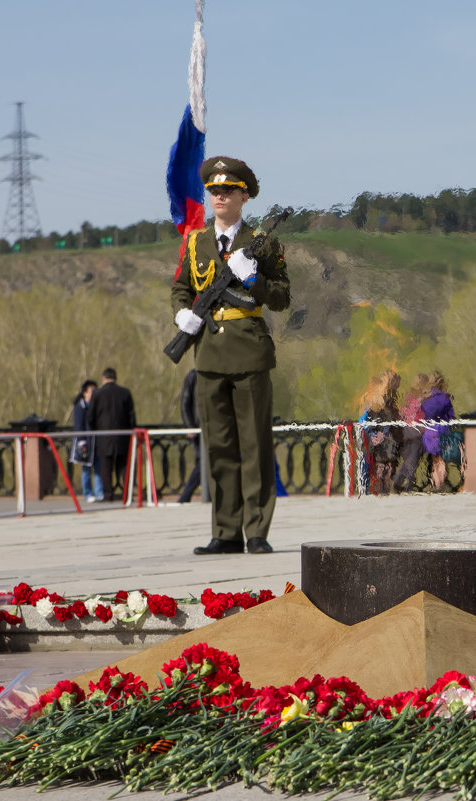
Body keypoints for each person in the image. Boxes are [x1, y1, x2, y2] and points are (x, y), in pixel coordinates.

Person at [171, 156, 290, 555]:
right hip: (208, 355)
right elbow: (182, 287)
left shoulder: (262, 242)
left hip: (249, 352)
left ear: (244, 196)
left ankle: (256, 530)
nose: (219, 196)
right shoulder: (195, 242)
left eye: (227, 191)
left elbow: (282, 297)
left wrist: (253, 278)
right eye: (214, 191)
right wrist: (182, 313)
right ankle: (224, 531)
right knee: (219, 446)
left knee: (254, 444)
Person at [88, 367, 136, 502]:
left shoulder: (97, 394)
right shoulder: (125, 393)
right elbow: (132, 417)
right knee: (124, 467)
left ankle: (108, 495)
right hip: (123, 436)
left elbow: (90, 416)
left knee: (106, 468)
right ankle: (128, 495)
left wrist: (95, 430)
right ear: (115, 378)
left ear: (103, 378)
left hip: (104, 436)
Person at [359, 369, 401, 496]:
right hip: (375, 437)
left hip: (389, 437)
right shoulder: (373, 393)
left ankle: (384, 493)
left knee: (388, 467)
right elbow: (363, 418)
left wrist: (384, 433)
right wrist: (373, 434)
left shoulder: (392, 397)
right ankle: (375, 492)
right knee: (378, 466)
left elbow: (393, 417)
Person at [392, 372, 430, 493]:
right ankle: (404, 484)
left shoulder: (426, 397)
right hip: (410, 430)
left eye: (419, 381)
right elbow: (404, 412)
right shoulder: (410, 396)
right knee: (411, 458)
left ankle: (400, 483)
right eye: (416, 380)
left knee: (411, 459)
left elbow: (425, 413)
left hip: (417, 431)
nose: (417, 383)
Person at [420, 370, 457, 491]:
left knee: (435, 460)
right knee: (441, 461)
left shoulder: (426, 398)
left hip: (429, 433)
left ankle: (435, 484)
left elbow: (422, 415)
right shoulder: (445, 399)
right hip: (442, 432)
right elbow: (451, 417)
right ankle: (439, 485)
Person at [71, 379, 105, 503]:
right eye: (92, 391)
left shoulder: (96, 406)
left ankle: (99, 492)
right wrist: (82, 442)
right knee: (86, 469)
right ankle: (87, 493)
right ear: (85, 393)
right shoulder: (80, 407)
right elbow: (78, 425)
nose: (94, 394)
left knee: (98, 468)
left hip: (96, 441)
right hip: (85, 442)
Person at [177, 368, 204, 504]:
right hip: (198, 427)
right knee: (202, 462)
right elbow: (185, 402)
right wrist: (190, 425)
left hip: (211, 426)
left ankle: (185, 497)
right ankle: (184, 497)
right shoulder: (193, 376)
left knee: (206, 462)